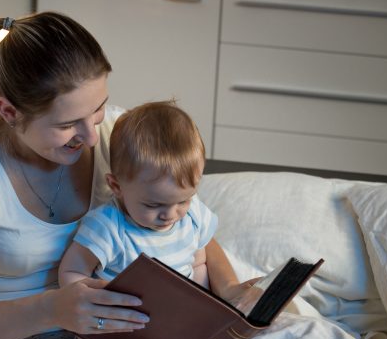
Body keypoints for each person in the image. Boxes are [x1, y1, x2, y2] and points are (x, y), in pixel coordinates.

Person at [0, 11, 255, 339]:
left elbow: (185, 221)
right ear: (9, 112)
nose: (90, 137)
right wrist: (52, 309)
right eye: (68, 124)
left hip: (139, 334)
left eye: (98, 108)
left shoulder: (113, 134)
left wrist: (229, 292)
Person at [59, 101, 255, 318]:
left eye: (183, 200)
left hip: (176, 322)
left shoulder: (193, 215)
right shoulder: (108, 226)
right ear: (116, 186)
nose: (170, 215)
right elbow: (72, 272)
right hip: (124, 322)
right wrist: (98, 305)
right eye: (153, 205)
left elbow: (199, 263)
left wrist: (203, 307)